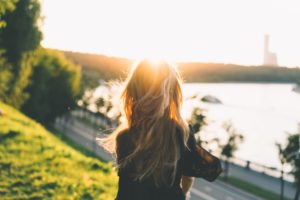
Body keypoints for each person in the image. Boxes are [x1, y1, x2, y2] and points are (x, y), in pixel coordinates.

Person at [101, 59, 222, 200]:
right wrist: (184, 193)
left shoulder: (124, 137)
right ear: (172, 94)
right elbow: (191, 175)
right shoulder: (181, 134)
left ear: (132, 92)